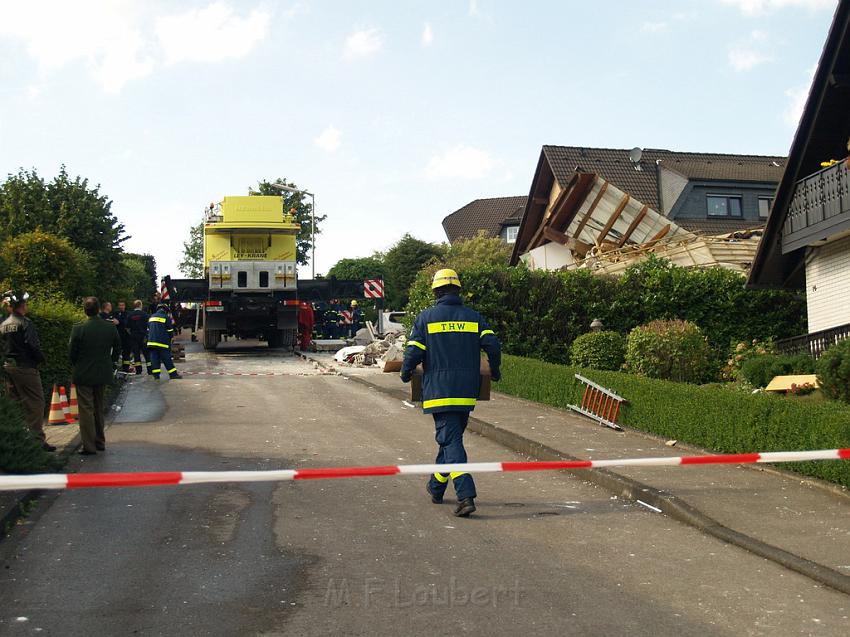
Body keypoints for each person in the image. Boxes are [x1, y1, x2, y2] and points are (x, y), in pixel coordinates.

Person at [400, 269, 501, 518]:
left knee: (451, 441)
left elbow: (414, 352)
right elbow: (493, 345)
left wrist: (405, 372)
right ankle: (436, 486)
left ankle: (466, 495)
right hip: (467, 391)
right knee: (450, 440)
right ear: (458, 290)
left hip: (439, 391)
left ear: (435, 291)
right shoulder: (474, 317)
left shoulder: (426, 318)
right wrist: (495, 371)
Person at [1, 290, 54, 452]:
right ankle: (36, 440)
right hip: (26, 367)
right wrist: (40, 360)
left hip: (8, 367)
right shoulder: (25, 323)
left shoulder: (3, 325)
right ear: (23, 306)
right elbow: (33, 345)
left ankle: (15, 439)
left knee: (15, 402)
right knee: (36, 403)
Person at [69, 297, 122, 455]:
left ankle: (89, 446)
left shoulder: (78, 328)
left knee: (85, 409)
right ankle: (100, 441)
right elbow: (118, 347)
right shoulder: (109, 327)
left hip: (83, 373)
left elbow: (72, 353)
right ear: (99, 309)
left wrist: (77, 364)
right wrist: (111, 363)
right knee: (99, 407)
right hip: (102, 372)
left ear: (85, 310)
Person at [147, 303, 181, 380]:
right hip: (162, 343)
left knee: (154, 359)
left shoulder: (151, 317)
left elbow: (148, 329)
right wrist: (170, 339)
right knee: (167, 359)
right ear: (165, 310)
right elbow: (170, 331)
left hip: (151, 343)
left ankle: (156, 376)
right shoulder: (166, 317)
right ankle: (173, 374)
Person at [126, 300, 151, 375]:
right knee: (146, 354)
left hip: (134, 337)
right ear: (140, 305)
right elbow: (149, 326)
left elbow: (127, 328)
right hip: (143, 337)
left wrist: (131, 334)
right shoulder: (145, 315)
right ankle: (150, 370)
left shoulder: (130, 315)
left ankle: (138, 371)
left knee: (136, 354)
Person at [114, 301, 132, 373]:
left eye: (122, 305)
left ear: (124, 306)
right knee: (116, 352)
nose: (121, 307)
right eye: (120, 305)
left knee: (126, 354)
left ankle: (126, 368)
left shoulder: (128, 314)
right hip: (117, 336)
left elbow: (126, 322)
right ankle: (115, 367)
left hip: (126, 337)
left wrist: (119, 321)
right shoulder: (115, 313)